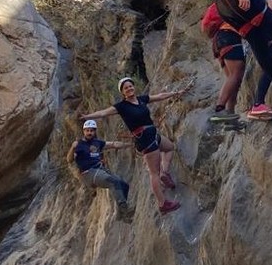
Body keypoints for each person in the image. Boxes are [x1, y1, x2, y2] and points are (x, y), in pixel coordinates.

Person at [79, 76, 190, 215]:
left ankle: (165, 172)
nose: (129, 89)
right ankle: (162, 204)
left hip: (152, 133)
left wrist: (175, 93)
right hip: (144, 139)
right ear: (122, 92)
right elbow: (103, 113)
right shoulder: (121, 107)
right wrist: (88, 116)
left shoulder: (142, 99)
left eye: (131, 86)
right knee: (153, 172)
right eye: (126, 88)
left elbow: (159, 96)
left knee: (169, 148)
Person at [66, 119, 134, 220]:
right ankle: (125, 211)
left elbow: (113, 144)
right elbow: (69, 159)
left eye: (92, 130)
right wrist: (72, 148)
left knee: (124, 185)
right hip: (88, 174)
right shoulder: (79, 145)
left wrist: (130, 145)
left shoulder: (97, 143)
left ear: (95, 131)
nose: (89, 132)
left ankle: (120, 215)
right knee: (113, 182)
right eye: (87, 130)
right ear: (83, 131)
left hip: (99, 169)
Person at [210, 11, 245, 123]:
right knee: (235, 75)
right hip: (229, 37)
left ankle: (230, 116)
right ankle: (220, 109)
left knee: (233, 79)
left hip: (219, 40)